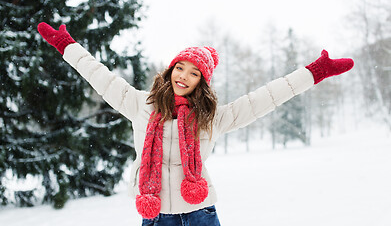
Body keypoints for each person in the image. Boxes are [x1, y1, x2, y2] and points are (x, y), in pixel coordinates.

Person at [37, 22, 354, 226]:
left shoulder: (211, 118)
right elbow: (100, 75)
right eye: (180, 67)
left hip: (200, 213)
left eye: (193, 72)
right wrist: (68, 46)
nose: (183, 76)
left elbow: (265, 97)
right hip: (156, 214)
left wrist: (314, 72)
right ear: (170, 69)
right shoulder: (139, 105)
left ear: (202, 81)